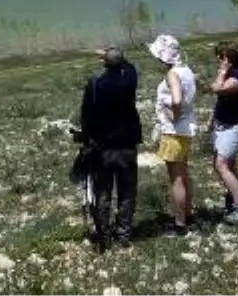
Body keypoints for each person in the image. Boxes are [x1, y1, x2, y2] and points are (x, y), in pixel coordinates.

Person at [78, 45, 142, 251]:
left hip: (102, 148)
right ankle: (124, 233)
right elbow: (129, 65)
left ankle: (103, 234)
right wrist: (113, 55)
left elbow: (85, 116)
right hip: (127, 145)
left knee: (102, 191)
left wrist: (87, 139)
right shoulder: (129, 80)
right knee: (127, 191)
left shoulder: (95, 84)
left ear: (104, 63)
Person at [148, 33, 197, 236]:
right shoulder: (186, 70)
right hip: (186, 130)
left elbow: (176, 100)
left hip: (174, 131)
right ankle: (188, 215)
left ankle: (179, 224)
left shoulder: (172, 74)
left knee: (176, 179)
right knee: (184, 174)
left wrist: (175, 116)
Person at [209, 41, 238, 225]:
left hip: (235, 127)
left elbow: (216, 89)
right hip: (223, 124)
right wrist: (212, 118)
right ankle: (234, 197)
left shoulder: (237, 79)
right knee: (229, 163)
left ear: (227, 59)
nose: (217, 60)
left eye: (220, 57)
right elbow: (221, 100)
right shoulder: (229, 74)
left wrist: (221, 72)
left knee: (221, 165)